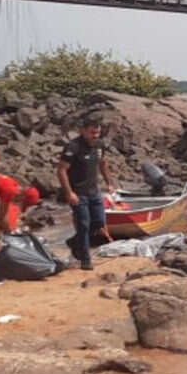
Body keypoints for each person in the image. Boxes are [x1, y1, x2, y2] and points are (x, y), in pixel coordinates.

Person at [58, 116, 114, 271]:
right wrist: (69, 193)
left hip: (94, 191)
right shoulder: (73, 147)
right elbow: (61, 170)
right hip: (78, 192)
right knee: (83, 224)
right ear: (83, 131)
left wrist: (109, 183)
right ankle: (85, 259)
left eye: (97, 133)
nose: (95, 136)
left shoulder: (100, 145)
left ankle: (75, 243)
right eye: (92, 133)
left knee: (99, 223)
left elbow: (103, 164)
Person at [0, 174, 40, 268]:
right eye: (20, 202)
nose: (16, 203)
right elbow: (0, 217)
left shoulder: (12, 184)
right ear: (22, 196)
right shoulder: (10, 191)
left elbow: (1, 216)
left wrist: (7, 231)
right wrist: (5, 233)